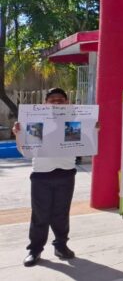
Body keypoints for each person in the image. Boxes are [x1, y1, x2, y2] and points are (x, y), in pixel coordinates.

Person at [14, 88, 84, 267]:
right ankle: (35, 250)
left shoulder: (74, 122)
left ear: (67, 102)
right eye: (52, 99)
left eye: (61, 99)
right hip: (41, 175)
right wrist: (18, 136)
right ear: (45, 103)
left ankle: (61, 246)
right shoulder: (36, 122)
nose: (57, 102)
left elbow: (81, 148)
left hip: (66, 173)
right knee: (40, 215)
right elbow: (25, 151)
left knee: (61, 214)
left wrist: (93, 131)